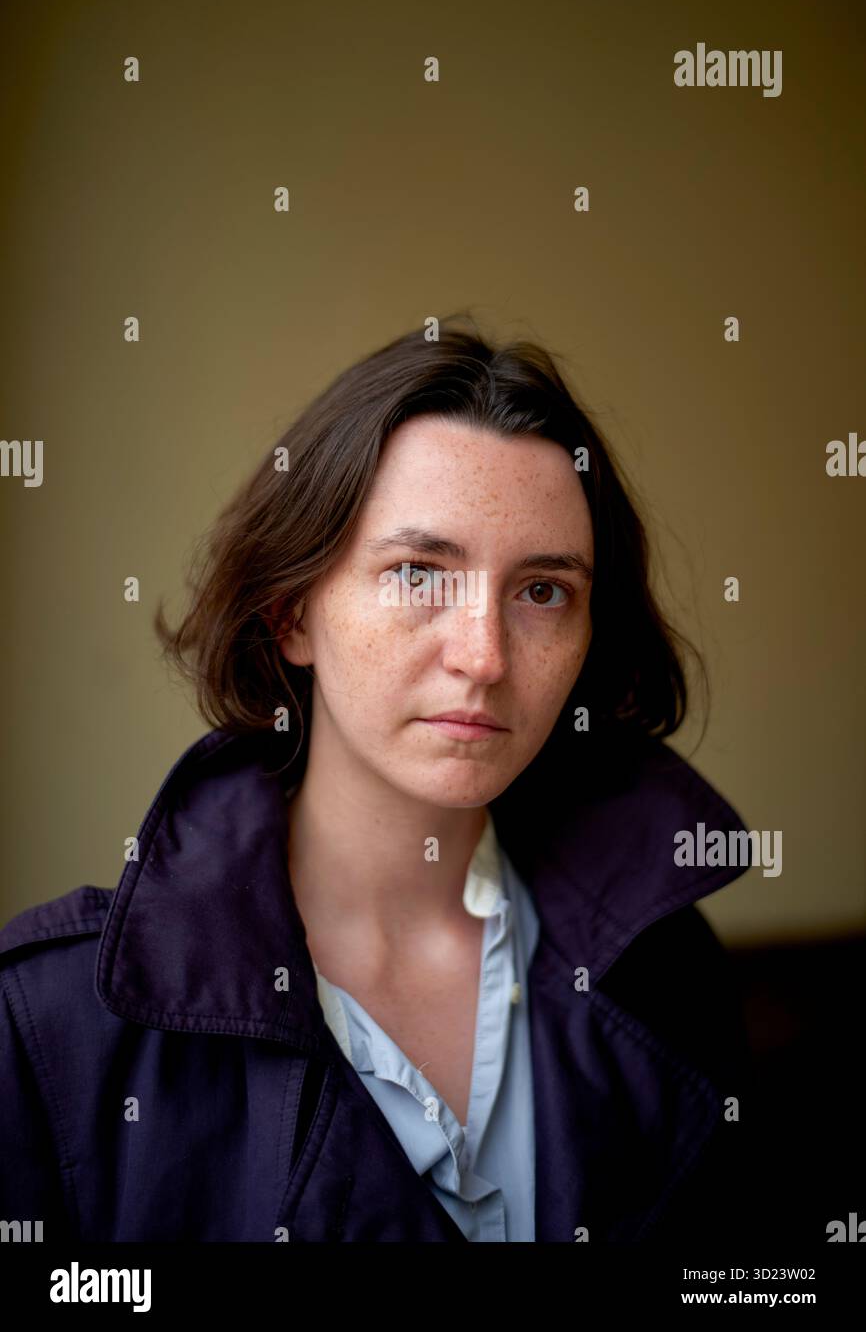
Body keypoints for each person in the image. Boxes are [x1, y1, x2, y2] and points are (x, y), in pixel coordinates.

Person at [0, 316, 756, 1243]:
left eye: (542, 590)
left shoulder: (666, 968)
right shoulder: (52, 1024)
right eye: (418, 573)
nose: (483, 657)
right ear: (291, 615)